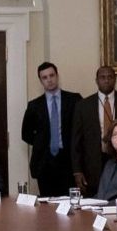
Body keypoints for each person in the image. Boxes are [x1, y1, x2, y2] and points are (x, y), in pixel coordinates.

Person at [71, 65, 117, 194]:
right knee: (95, 199)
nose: (106, 80)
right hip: (92, 163)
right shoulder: (83, 105)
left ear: (115, 79)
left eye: (110, 77)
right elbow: (76, 140)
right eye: (102, 77)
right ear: (96, 80)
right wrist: (77, 170)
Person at [22, 61, 82, 197]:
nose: (49, 80)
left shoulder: (74, 100)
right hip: (44, 161)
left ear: (57, 76)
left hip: (68, 160)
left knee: (70, 203)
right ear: (41, 81)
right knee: (47, 205)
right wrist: (41, 142)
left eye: (51, 75)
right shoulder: (34, 105)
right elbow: (26, 134)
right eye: (45, 77)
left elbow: (81, 129)